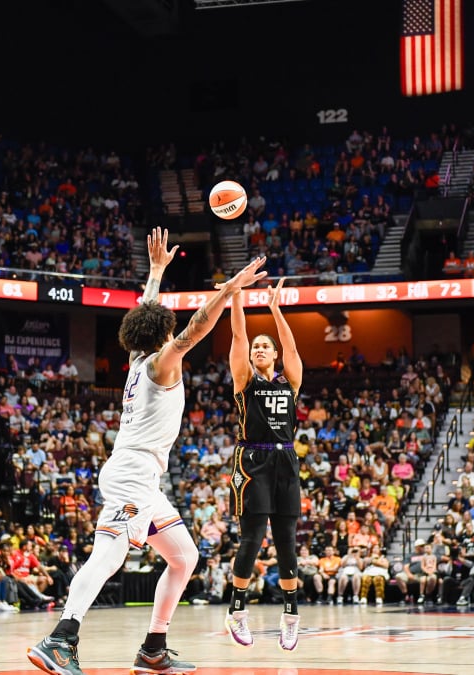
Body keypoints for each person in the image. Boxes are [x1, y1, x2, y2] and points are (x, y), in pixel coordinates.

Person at [28, 228, 267, 675]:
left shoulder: (139, 359)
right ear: (165, 334)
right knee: (110, 554)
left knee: (184, 556)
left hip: (141, 477)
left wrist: (156, 272)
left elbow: (144, 315)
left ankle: (153, 648)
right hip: (132, 475)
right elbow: (196, 328)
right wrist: (230, 290)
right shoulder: (160, 361)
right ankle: (61, 638)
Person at [223, 275, 304, 651]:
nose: (258, 348)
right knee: (252, 540)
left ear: (273, 356)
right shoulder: (245, 382)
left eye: (265, 346)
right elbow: (238, 337)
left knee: (287, 543)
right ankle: (237, 612)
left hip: (285, 459)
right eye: (256, 345)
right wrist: (236, 296)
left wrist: (275, 309)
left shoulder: (289, 382)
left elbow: (290, 343)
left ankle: (290, 617)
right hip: (251, 459)